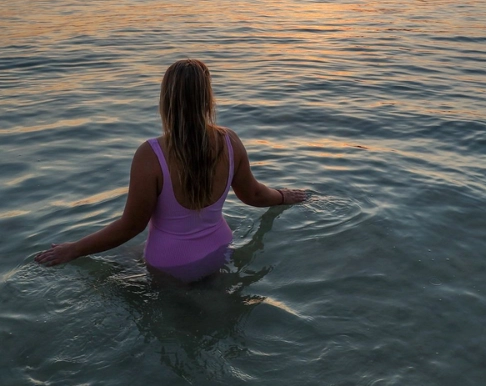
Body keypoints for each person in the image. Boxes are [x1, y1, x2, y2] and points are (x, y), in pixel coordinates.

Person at [35, 59, 307, 281]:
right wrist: (284, 196)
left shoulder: (150, 154)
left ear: (166, 99)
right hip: (220, 250)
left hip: (169, 265)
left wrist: (73, 250)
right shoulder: (230, 141)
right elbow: (255, 196)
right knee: (133, 256)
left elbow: (131, 226)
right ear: (207, 99)